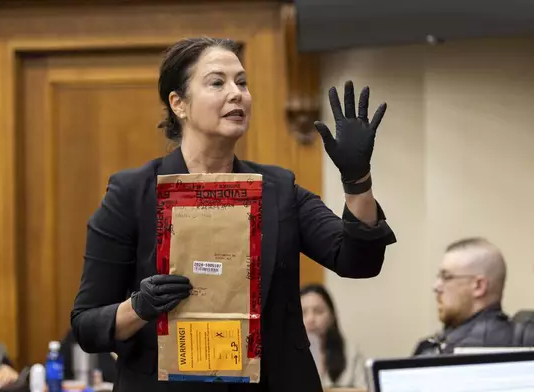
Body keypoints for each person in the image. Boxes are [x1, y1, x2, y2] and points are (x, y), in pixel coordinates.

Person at [71, 36, 396, 392]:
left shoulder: (278, 190)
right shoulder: (131, 194)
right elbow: (87, 325)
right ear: (178, 104)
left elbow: (358, 261)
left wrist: (357, 181)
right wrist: (140, 307)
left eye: (242, 82)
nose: (236, 93)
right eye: (217, 82)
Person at [413, 237, 520, 355]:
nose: (436, 287)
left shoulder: (447, 355)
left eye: (447, 277)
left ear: (479, 286)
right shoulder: (520, 343)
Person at [300, 284, 366, 388]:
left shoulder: (351, 353)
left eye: (318, 311)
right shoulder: (283, 355)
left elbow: (363, 389)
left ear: (331, 316)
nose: (310, 319)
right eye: (303, 312)